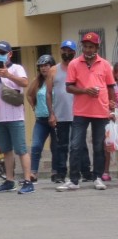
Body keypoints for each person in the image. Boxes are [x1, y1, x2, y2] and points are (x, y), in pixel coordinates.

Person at [57, 32, 116, 191]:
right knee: (75, 145)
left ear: (97, 47)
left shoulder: (105, 64)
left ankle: (97, 177)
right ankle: (74, 180)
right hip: (80, 111)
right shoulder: (74, 64)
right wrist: (85, 91)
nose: (88, 49)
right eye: (85, 46)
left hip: (100, 110)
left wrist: (112, 105)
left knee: (98, 146)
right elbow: (69, 87)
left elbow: (110, 86)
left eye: (91, 46)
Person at [0, 41, 34, 194]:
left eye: (2, 52)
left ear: (10, 54)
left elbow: (25, 83)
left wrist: (8, 75)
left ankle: (28, 181)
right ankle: (9, 180)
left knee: (21, 149)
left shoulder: (17, 68)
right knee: (6, 150)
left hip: (15, 116)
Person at [47, 40, 76, 184]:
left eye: (69, 50)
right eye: (64, 50)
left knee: (77, 145)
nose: (66, 53)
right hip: (60, 114)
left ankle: (78, 172)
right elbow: (48, 93)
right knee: (62, 146)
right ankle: (61, 172)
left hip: (78, 113)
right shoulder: (54, 70)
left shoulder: (78, 68)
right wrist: (51, 113)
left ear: (74, 52)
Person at [26, 55, 56, 184]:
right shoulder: (37, 81)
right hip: (41, 119)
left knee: (56, 147)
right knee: (36, 145)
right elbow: (29, 94)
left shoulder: (56, 79)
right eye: (41, 66)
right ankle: (33, 172)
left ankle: (56, 171)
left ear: (52, 66)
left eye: (46, 65)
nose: (43, 68)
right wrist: (34, 106)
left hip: (55, 118)